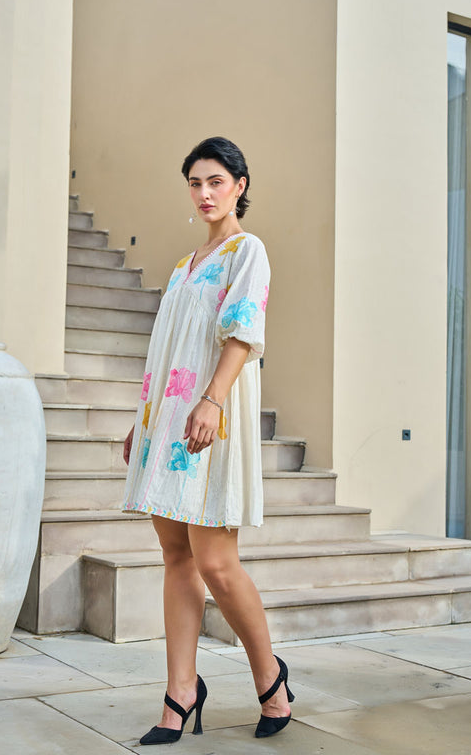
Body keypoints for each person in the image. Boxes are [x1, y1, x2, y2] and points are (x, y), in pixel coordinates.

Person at [122, 136, 294, 745]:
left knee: (217, 564)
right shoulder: (181, 265)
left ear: (240, 186)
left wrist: (212, 400)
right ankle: (179, 694)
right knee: (175, 559)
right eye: (195, 182)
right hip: (167, 421)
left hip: (209, 418)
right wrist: (142, 421)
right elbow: (167, 350)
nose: (204, 193)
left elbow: (242, 333)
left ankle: (271, 681)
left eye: (215, 181)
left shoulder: (248, 251)